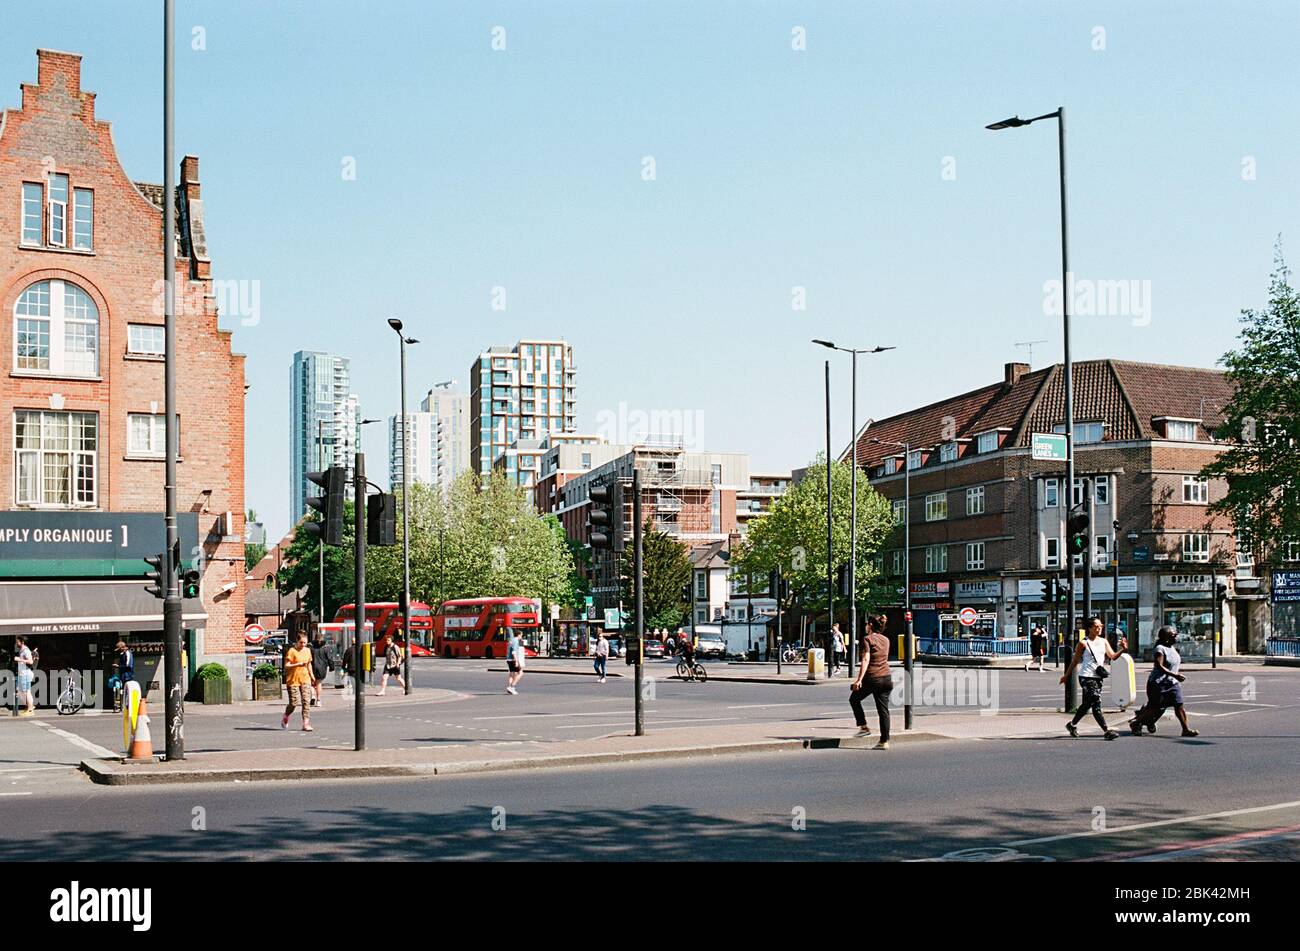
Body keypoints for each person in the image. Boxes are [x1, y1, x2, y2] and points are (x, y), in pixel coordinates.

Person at [1061, 616, 1127, 740]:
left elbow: (1112, 656)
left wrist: (1123, 649)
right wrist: (1066, 676)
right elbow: (1075, 661)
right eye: (1096, 626)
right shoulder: (1083, 643)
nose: (1099, 628)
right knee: (1095, 700)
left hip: (1098, 677)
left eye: (1100, 626)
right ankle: (1107, 731)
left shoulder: (1103, 641)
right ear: (1090, 628)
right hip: (1086, 676)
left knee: (1087, 704)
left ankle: (1072, 724)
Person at [1129, 626, 1199, 737]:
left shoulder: (1173, 648)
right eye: (1173, 635)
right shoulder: (1160, 649)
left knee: (1179, 705)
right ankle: (1136, 723)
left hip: (1172, 683)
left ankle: (1185, 729)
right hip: (1158, 683)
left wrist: (1174, 677)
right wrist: (1174, 675)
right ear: (1166, 638)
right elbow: (1159, 666)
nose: (1176, 636)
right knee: (1154, 707)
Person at [850, 615, 893, 750]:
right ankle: (884, 741)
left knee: (854, 699)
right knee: (883, 711)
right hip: (886, 677)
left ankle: (864, 726)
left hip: (873, 677)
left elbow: (866, 660)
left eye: (866, 624)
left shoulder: (867, 639)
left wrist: (859, 680)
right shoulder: (886, 639)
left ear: (870, 625)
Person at [281, 632, 314, 731]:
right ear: (297, 641)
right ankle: (286, 716)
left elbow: (309, 664)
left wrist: (312, 676)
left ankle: (306, 723)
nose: (303, 645)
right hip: (293, 679)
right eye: (301, 642)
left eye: (305, 643)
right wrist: (297, 664)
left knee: (306, 701)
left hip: (305, 678)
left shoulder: (308, 651)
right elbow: (286, 665)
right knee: (294, 703)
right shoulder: (292, 651)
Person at [309, 634, 334, 707]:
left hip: (312, 667)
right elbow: (329, 658)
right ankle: (318, 700)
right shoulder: (325, 648)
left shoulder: (311, 647)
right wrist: (332, 667)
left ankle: (313, 696)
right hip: (322, 668)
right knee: (318, 683)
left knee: (312, 683)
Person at [14, 635, 36, 716]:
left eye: (18, 642)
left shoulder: (26, 650)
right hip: (23, 674)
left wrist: (19, 659)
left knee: (26, 692)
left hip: (26, 674)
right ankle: (29, 707)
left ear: (22, 642)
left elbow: (30, 662)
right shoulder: (22, 650)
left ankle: (30, 710)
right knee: (21, 692)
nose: (16, 643)